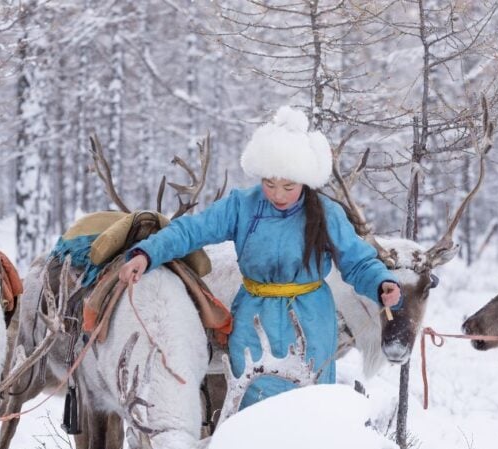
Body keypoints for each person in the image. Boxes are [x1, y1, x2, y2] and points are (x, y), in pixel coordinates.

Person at [118, 106, 401, 409]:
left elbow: (357, 261)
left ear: (304, 180)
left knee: (309, 405)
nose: (278, 194)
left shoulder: (326, 214)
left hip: (311, 321)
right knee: (254, 401)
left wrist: (381, 282)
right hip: (254, 320)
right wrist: (147, 253)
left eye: (288, 186)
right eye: (270, 184)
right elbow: (190, 231)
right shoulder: (242, 205)